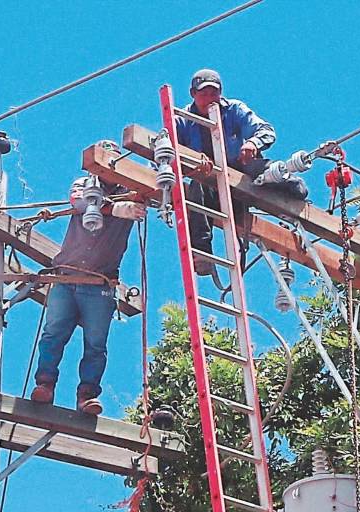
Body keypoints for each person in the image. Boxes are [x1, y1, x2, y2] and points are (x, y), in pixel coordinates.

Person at [29, 143, 146, 416]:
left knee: (95, 343)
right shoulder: (86, 183)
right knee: (54, 333)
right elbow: (80, 202)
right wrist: (116, 209)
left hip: (100, 282)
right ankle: (45, 384)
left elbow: (152, 190)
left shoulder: (133, 188)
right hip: (67, 277)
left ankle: (87, 395)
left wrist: (140, 197)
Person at [175, 68, 308, 274]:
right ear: (193, 94)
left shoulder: (233, 109)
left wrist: (253, 144)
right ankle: (202, 252)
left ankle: (293, 187)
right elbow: (165, 153)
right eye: (204, 93)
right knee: (197, 186)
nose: (210, 98)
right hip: (210, 189)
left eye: (214, 93)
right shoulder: (182, 120)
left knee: (262, 169)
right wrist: (191, 160)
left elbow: (265, 130)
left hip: (239, 177)